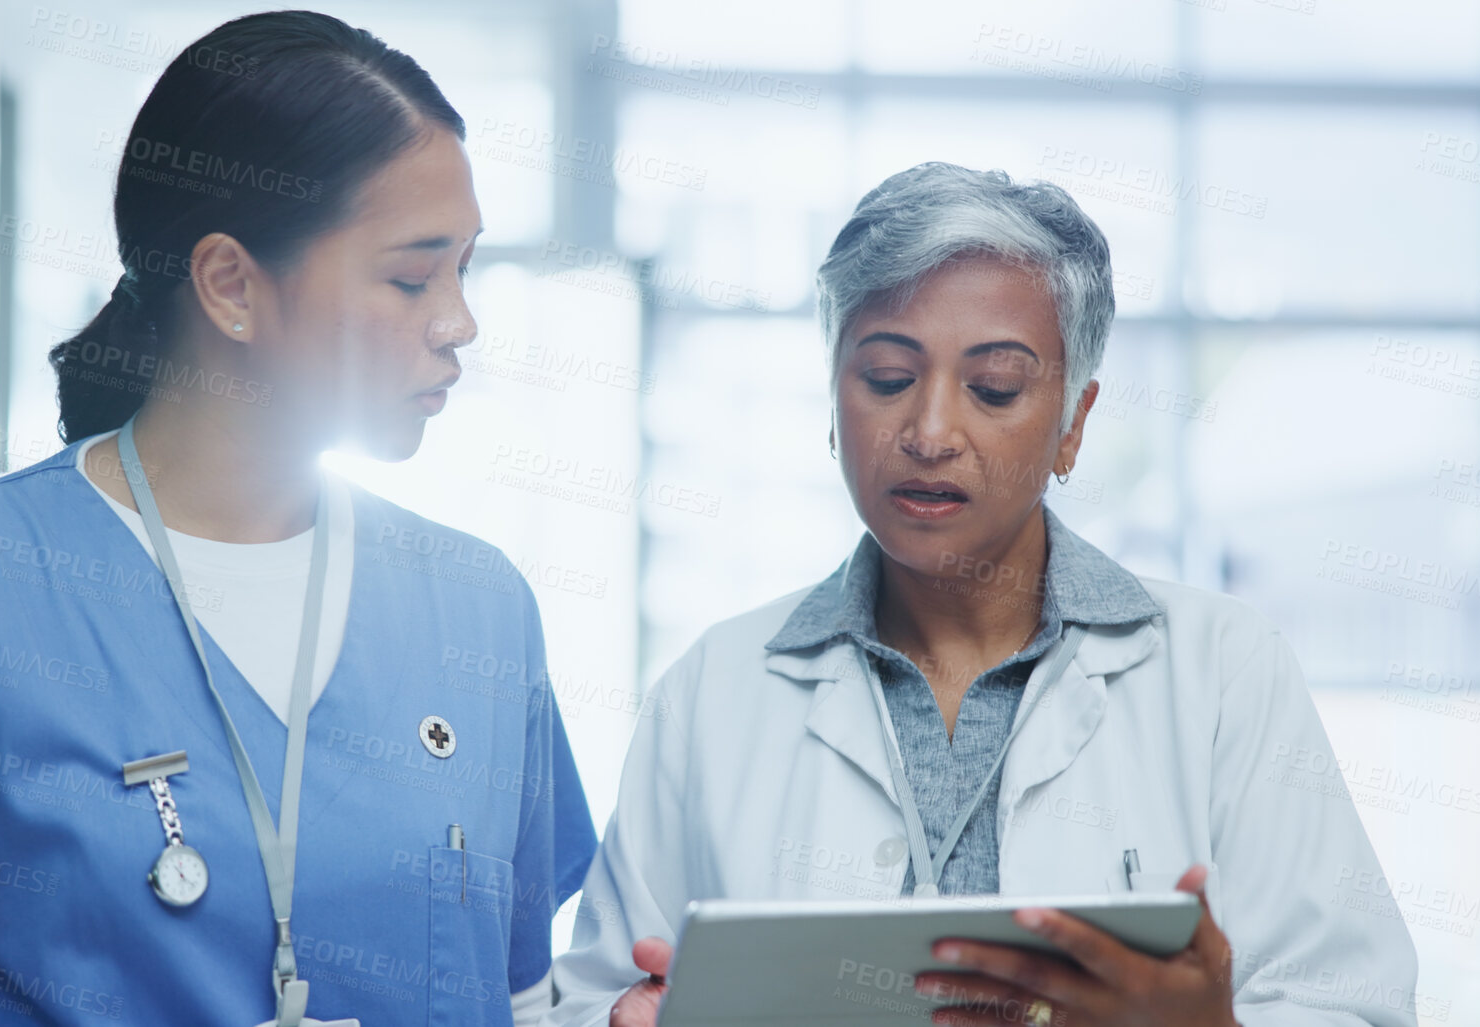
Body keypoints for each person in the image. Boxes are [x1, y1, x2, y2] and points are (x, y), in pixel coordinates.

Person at [0, 11, 593, 1026]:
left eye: (467, 268)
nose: (459, 321)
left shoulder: (478, 611)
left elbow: (523, 999)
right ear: (231, 285)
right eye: (412, 276)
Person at [546, 163, 1419, 1027]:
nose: (929, 433)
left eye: (993, 388)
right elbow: (586, 998)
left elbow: (1352, 1005)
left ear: (1073, 421)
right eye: (886, 378)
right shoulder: (714, 688)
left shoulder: (1223, 672)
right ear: (830, 397)